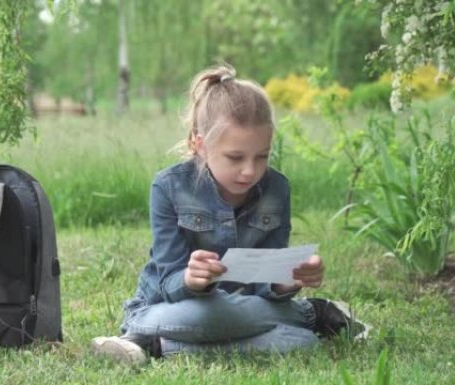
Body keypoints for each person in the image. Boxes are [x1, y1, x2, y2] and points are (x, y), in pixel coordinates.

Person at [91, 64, 367, 364]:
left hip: (246, 305)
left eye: (262, 156)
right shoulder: (168, 187)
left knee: (298, 343)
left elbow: (265, 278)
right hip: (169, 308)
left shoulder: (277, 188)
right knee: (275, 333)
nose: (250, 170)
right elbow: (167, 281)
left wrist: (289, 279)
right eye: (235, 157)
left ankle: (151, 346)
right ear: (200, 146)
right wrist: (191, 279)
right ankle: (311, 315)